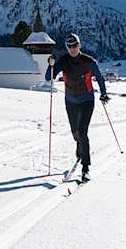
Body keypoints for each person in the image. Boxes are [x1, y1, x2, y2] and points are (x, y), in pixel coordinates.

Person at [45, 33, 108, 182]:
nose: (72, 48)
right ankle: (80, 146)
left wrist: (104, 93)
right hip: (70, 101)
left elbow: (99, 77)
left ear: (79, 45)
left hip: (87, 100)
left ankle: (85, 168)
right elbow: (49, 77)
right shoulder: (64, 61)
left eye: (75, 45)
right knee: (75, 133)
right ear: (66, 47)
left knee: (82, 131)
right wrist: (51, 64)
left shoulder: (88, 61)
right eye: (69, 46)